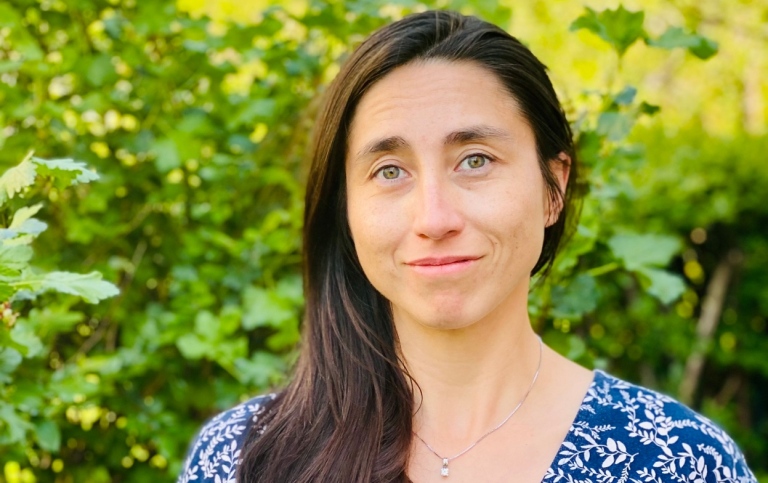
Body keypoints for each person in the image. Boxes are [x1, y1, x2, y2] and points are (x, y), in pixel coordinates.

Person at [177, 10, 757, 483]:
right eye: (389, 170)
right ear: (345, 209)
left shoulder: (679, 462)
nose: (434, 217)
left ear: (554, 187)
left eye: (475, 160)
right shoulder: (240, 460)